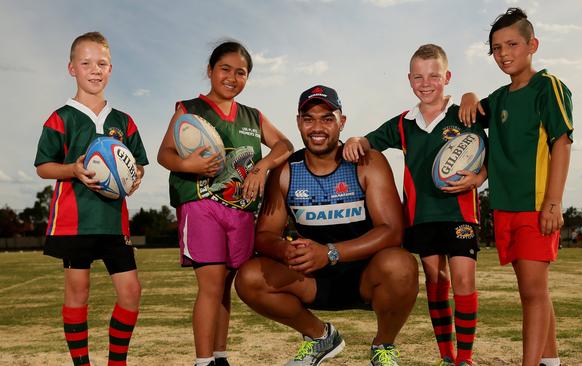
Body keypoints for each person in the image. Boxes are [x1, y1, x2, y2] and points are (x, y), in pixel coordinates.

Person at [235, 85, 419, 366]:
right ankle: (320, 337)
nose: (317, 127)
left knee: (402, 265)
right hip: (312, 278)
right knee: (250, 277)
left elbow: (392, 231)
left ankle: (383, 345)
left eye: (327, 118)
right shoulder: (286, 170)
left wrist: (331, 252)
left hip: (367, 276)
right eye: (309, 119)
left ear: (341, 122)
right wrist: (285, 251)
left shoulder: (366, 162)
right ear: (298, 122)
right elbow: (264, 235)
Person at [343, 44, 486, 366]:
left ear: (447, 77)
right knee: (437, 282)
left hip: (459, 213)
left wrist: (478, 179)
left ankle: (465, 358)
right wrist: (354, 141)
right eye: (419, 76)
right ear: (409, 80)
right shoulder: (404, 122)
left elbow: (485, 154)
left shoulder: (464, 114)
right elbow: (368, 141)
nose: (426, 83)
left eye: (434, 76)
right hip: (421, 217)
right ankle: (446, 357)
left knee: (463, 281)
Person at [157, 40, 293, 366]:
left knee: (225, 287)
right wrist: (190, 165)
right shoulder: (189, 109)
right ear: (210, 71)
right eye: (225, 69)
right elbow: (165, 155)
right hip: (201, 204)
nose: (232, 77)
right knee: (211, 283)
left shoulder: (252, 116)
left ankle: (220, 357)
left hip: (241, 210)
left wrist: (262, 167)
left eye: (241, 72)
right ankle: (203, 361)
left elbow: (284, 144)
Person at [458, 8, 573, 366]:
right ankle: (551, 362)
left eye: (512, 44)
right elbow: (477, 114)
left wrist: (553, 202)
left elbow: (562, 142)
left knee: (531, 293)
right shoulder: (501, 98)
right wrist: (468, 94)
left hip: (535, 204)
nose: (504, 53)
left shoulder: (548, 86)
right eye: (496, 48)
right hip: (504, 206)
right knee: (535, 290)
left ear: (532, 45)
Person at [34, 31, 148, 366]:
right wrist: (72, 170)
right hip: (73, 221)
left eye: (101, 63)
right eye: (86, 63)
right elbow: (43, 167)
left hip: (114, 221)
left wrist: (135, 175)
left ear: (111, 68)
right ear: (72, 68)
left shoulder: (122, 121)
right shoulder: (61, 117)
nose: (94, 70)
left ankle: (117, 363)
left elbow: (138, 164)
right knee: (78, 291)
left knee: (131, 292)